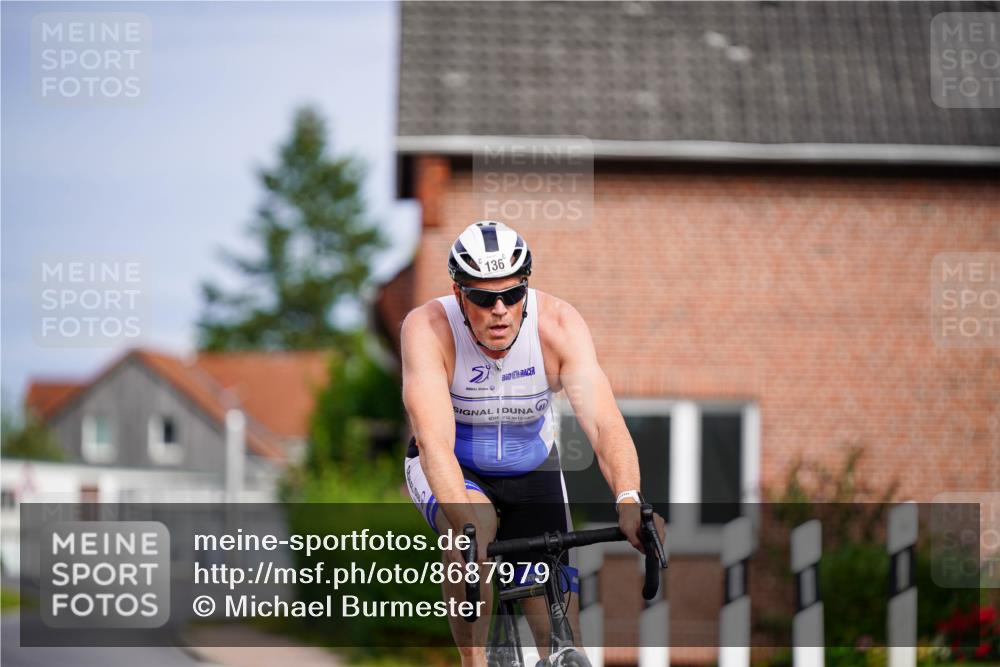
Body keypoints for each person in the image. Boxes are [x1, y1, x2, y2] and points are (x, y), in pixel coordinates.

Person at [401, 220, 665, 667]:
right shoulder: (428, 329)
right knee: (473, 532)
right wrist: (466, 531)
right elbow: (435, 445)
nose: (500, 309)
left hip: (533, 469)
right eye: (485, 297)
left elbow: (603, 424)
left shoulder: (559, 327)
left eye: (513, 294)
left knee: (562, 637)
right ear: (459, 292)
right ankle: (476, 660)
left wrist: (627, 498)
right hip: (456, 470)